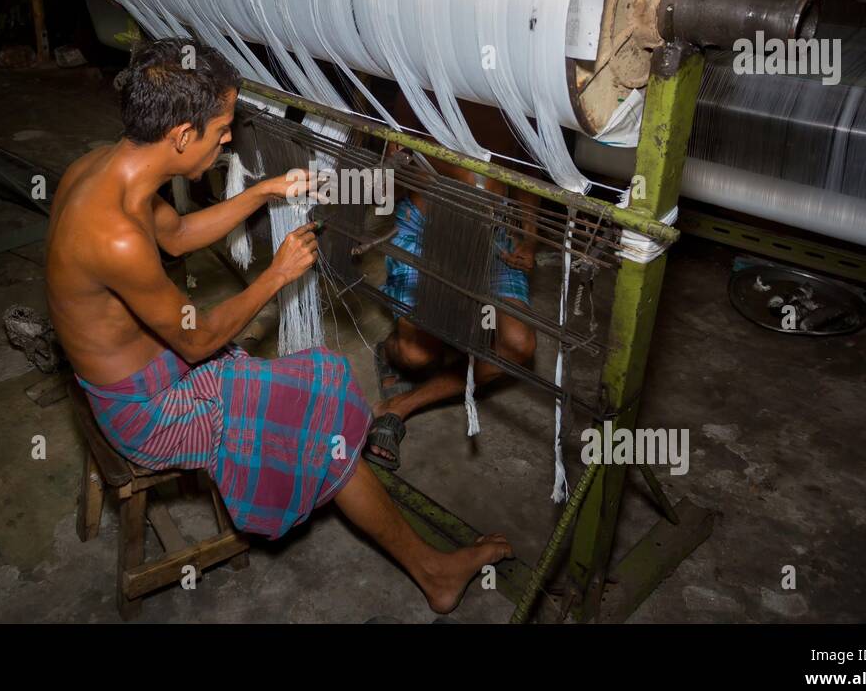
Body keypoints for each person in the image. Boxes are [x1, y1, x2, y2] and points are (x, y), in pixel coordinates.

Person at [45, 38, 510, 614]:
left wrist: (265, 190)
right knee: (323, 404)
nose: (230, 139)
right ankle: (433, 570)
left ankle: (424, 559)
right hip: (150, 410)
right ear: (182, 137)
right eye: (221, 130)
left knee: (317, 395)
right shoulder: (113, 234)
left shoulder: (102, 168)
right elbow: (198, 340)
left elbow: (178, 235)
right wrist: (276, 274)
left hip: (154, 370)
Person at [365, 97, 539, 471]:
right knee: (417, 355)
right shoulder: (418, 99)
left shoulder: (516, 97)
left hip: (492, 244)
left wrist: (529, 237)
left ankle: (400, 406)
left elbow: (527, 178)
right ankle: (392, 350)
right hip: (426, 237)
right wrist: (393, 164)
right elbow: (382, 193)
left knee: (517, 346)